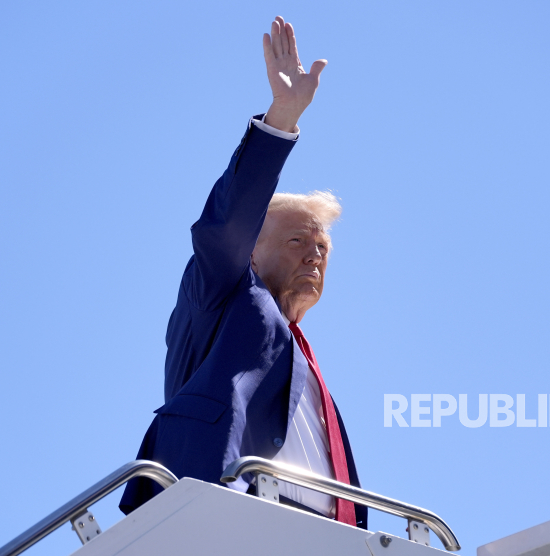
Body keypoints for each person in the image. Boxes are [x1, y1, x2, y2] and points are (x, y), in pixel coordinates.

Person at [119, 16, 367, 529]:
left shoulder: (305, 362)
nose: (316, 254)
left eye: (322, 246)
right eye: (298, 240)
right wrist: (282, 120)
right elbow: (226, 226)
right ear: (251, 252)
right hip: (228, 517)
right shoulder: (225, 292)